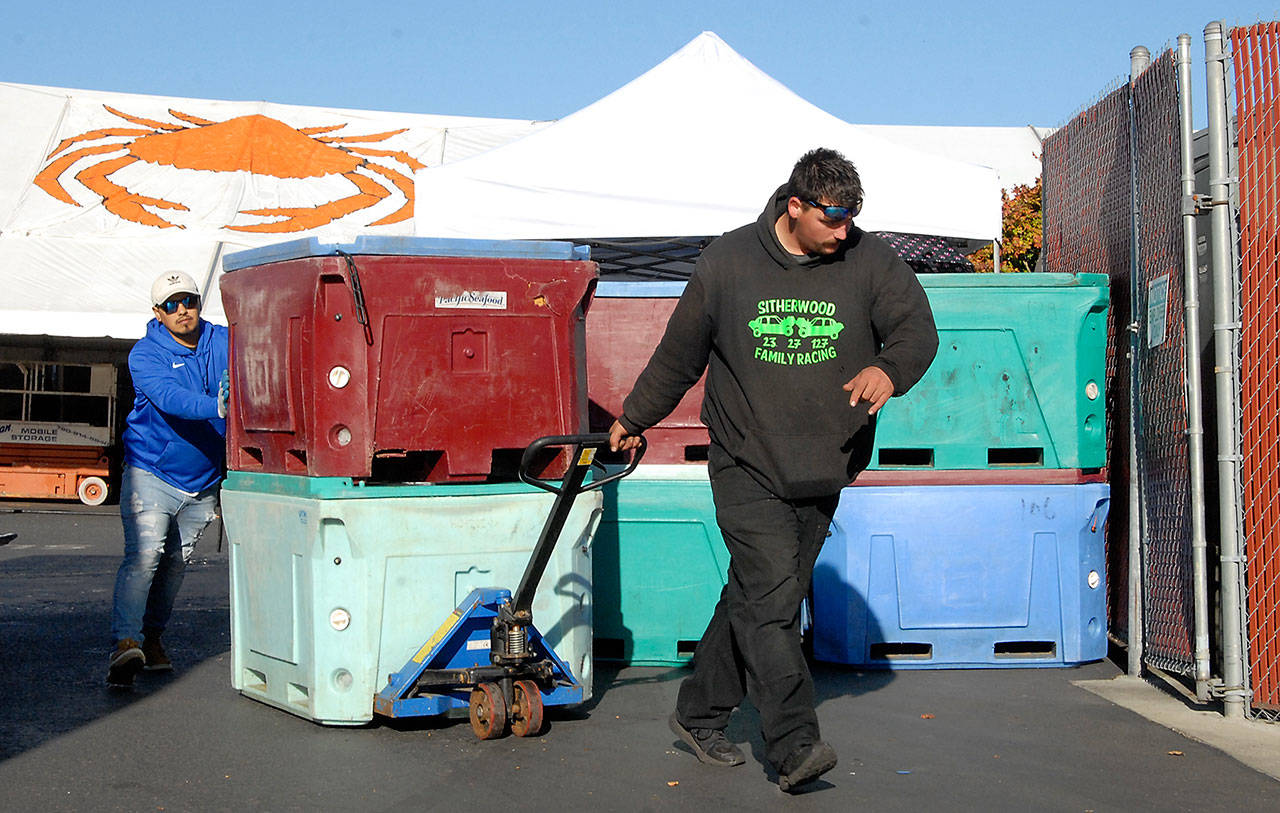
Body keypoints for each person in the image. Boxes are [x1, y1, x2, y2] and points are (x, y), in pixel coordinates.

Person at [608, 148, 938, 792]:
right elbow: (680, 355)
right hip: (746, 460)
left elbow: (917, 331)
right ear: (796, 205)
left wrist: (888, 370)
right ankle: (793, 745)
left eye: (854, 217)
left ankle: (698, 712)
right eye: (835, 217)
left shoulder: (868, 261)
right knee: (771, 604)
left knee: (761, 596)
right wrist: (634, 417)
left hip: (826, 464)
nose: (845, 231)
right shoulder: (728, 262)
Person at [106, 271, 229, 689]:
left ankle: (152, 639)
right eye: (172, 304)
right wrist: (219, 404)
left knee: (175, 565)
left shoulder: (224, 340)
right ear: (157, 312)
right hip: (150, 473)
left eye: (189, 301)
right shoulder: (145, 354)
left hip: (203, 480)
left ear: (199, 303)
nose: (183, 310)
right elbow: (171, 399)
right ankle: (126, 642)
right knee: (145, 557)